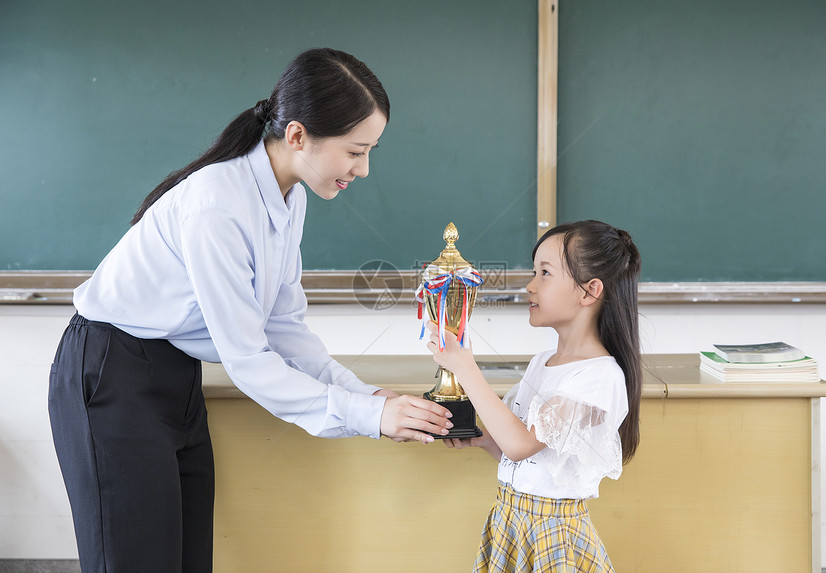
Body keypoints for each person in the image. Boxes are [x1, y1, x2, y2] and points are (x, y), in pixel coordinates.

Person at [48, 48, 453, 573]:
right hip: (110, 373)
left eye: (371, 150)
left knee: (187, 561)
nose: (365, 168)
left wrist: (365, 394)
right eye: (355, 151)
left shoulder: (290, 197)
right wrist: (370, 417)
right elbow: (249, 359)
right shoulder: (218, 204)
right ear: (299, 135)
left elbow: (284, 327)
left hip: (171, 374)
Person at [427, 220, 642, 573]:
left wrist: (465, 367)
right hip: (511, 522)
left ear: (589, 291)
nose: (530, 286)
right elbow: (528, 459)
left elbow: (520, 444)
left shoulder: (599, 377)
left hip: (551, 535)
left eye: (544, 273)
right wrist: (483, 440)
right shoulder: (542, 362)